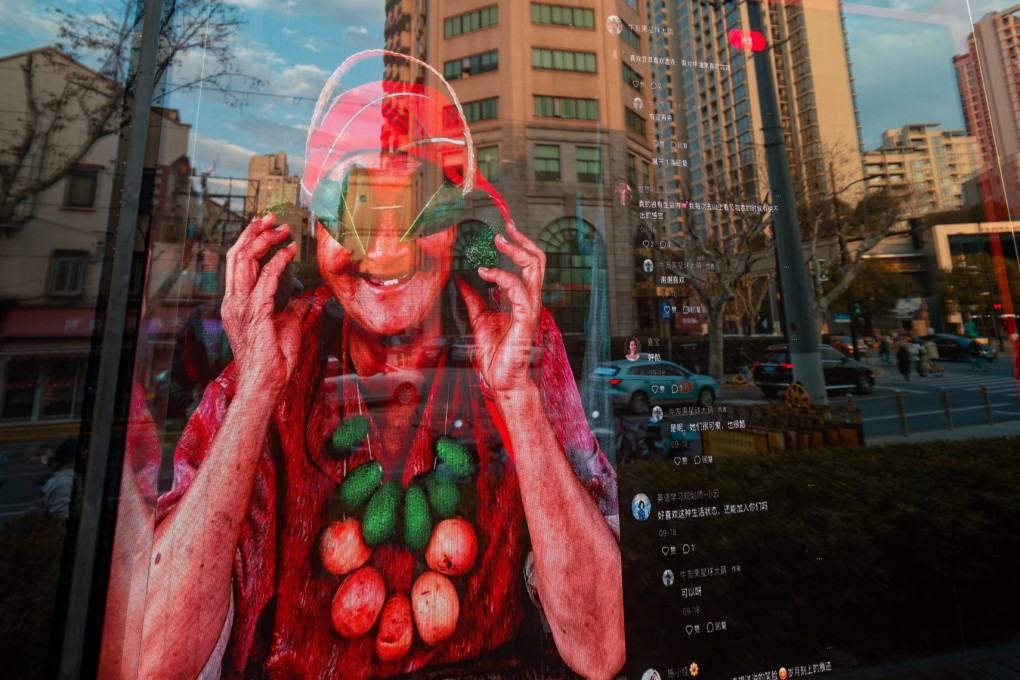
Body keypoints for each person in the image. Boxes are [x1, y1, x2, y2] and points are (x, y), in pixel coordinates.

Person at [104, 52, 624, 680]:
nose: (381, 251)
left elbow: (600, 650)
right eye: (348, 209)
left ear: (456, 225)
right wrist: (256, 394)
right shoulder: (272, 356)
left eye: (412, 208)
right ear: (313, 231)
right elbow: (157, 662)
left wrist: (516, 395)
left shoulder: (513, 341)